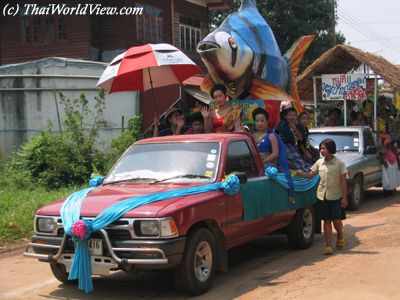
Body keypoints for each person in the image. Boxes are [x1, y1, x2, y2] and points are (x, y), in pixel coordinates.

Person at [297, 139, 348, 255]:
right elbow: (310, 175)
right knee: (326, 221)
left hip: (336, 197)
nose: (321, 151)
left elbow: (343, 182)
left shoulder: (340, 163)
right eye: (320, 148)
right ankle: (329, 245)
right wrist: (298, 173)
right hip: (322, 196)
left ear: (330, 150)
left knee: (336, 221)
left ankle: (340, 235)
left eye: (323, 148)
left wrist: (344, 198)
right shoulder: (319, 163)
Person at [252, 107, 295, 196]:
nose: (259, 123)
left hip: (269, 165)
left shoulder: (271, 136)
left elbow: (275, 153)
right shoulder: (252, 136)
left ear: (267, 122)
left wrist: (263, 161)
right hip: (256, 164)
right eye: (257, 121)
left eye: (262, 121)